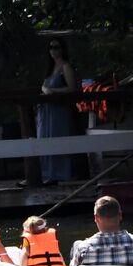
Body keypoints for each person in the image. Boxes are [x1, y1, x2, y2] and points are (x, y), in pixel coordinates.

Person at [36, 38, 77, 184]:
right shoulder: (50, 68)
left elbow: (72, 88)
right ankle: (46, 174)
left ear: (62, 49)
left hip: (58, 111)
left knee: (57, 138)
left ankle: (59, 174)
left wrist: (52, 91)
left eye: (56, 47)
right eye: (51, 47)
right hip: (46, 111)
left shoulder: (65, 67)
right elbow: (43, 87)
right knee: (44, 139)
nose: (53, 50)